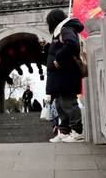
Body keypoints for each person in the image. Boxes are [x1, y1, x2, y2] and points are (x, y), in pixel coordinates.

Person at [40, 9, 84, 143]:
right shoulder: (59, 32)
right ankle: (64, 131)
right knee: (60, 105)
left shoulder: (66, 29)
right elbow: (59, 49)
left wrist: (58, 58)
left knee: (69, 103)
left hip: (66, 74)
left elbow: (72, 44)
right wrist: (48, 47)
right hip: (59, 76)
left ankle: (77, 132)